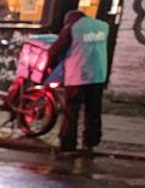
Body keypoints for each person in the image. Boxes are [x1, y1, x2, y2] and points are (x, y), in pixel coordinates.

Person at [47, 10, 110, 153]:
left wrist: (50, 65)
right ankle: (91, 142)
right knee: (93, 109)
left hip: (78, 75)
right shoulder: (103, 26)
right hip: (98, 74)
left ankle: (68, 145)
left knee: (71, 110)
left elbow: (56, 49)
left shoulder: (72, 27)